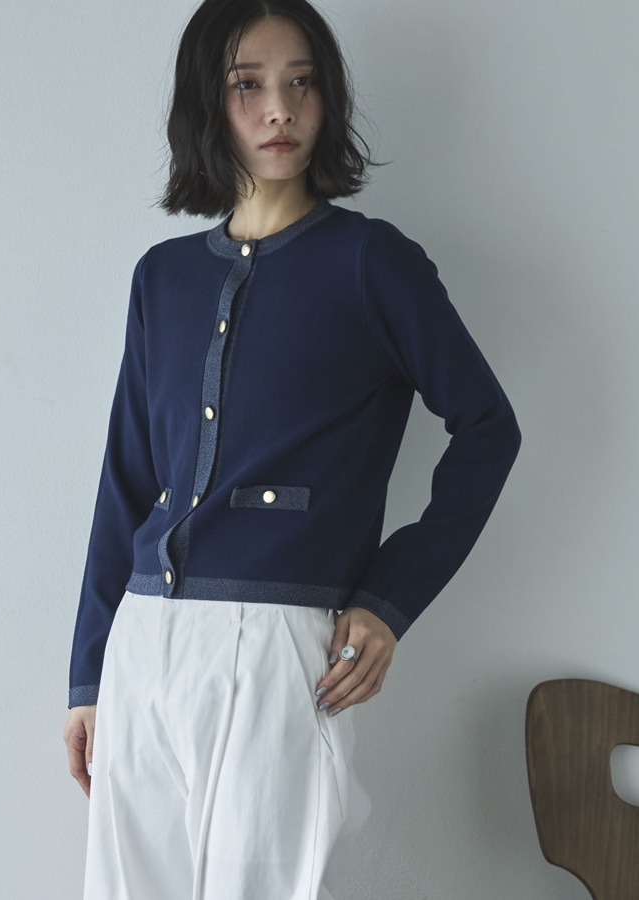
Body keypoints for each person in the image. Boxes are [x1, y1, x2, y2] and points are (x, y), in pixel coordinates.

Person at [63, 0, 521, 897]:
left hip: (282, 643)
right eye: (249, 85)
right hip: (144, 640)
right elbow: (127, 481)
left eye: (302, 83)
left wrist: (389, 600)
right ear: (208, 103)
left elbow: (488, 428)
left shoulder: (373, 264)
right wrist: (87, 676)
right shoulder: (162, 278)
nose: (281, 109)